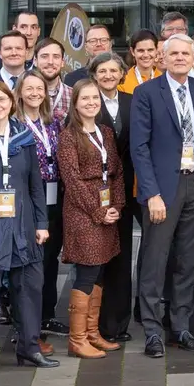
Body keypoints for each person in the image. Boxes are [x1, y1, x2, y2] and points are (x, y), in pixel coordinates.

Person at [131, 32, 194, 357]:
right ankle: (153, 331)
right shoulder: (146, 93)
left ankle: (181, 326)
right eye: (175, 53)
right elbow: (139, 148)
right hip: (162, 189)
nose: (181, 58)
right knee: (155, 260)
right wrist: (151, 193)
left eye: (186, 53)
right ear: (162, 58)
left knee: (188, 259)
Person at [56, 80, 126, 359]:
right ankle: (77, 339)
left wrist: (117, 206)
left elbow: (117, 172)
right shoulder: (68, 136)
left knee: (100, 271)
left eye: (95, 98)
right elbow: (72, 180)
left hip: (108, 209)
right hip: (82, 212)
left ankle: (93, 333)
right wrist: (98, 211)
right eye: (84, 98)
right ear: (75, 104)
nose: (90, 103)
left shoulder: (106, 132)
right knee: (87, 270)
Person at [90, 52, 136, 344]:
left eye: (113, 70)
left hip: (127, 188)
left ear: (122, 74)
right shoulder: (87, 103)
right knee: (96, 257)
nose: (108, 75)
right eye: (102, 71)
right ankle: (95, 325)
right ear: (94, 75)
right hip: (96, 190)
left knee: (122, 254)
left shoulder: (133, 101)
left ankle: (118, 323)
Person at [17, 72, 65, 351]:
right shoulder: (14, 125)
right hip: (27, 200)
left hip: (55, 197)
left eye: (40, 88)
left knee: (50, 260)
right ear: (20, 92)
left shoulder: (53, 123)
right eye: (29, 88)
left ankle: (47, 316)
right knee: (29, 263)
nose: (35, 93)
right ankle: (25, 325)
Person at [0, 9, 41, 77]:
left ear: (38, 31)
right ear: (14, 29)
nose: (29, 32)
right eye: (23, 27)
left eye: (33, 27)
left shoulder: (44, 59)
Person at [31, 38, 73, 123]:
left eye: (56, 57)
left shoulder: (74, 95)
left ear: (62, 62)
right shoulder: (22, 95)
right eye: (44, 56)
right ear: (35, 61)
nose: (50, 62)